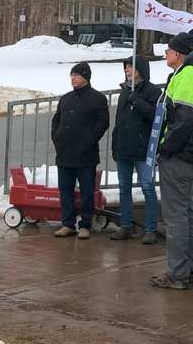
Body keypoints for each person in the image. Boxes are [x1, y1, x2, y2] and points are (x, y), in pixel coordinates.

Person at [150, 32, 193, 290]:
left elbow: (186, 117)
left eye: (168, 50)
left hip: (179, 154)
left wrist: (166, 146)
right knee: (186, 213)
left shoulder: (188, 74)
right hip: (189, 152)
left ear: (178, 54)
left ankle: (176, 274)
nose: (165, 54)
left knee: (176, 215)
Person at [50, 62, 110, 239]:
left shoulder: (97, 98)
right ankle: (67, 223)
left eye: (76, 75)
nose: (72, 78)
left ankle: (85, 225)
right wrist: (57, 136)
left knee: (86, 191)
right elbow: (56, 120)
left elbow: (103, 122)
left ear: (85, 77)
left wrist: (90, 140)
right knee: (66, 190)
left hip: (85, 155)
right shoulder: (66, 98)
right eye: (71, 75)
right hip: (65, 153)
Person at [111, 56, 161, 244]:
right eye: (126, 67)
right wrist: (116, 144)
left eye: (131, 66)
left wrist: (136, 100)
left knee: (147, 187)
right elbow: (120, 120)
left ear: (141, 69)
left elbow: (153, 115)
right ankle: (125, 226)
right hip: (124, 148)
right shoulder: (124, 91)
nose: (127, 70)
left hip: (142, 149)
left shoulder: (153, 91)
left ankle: (150, 228)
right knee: (124, 187)